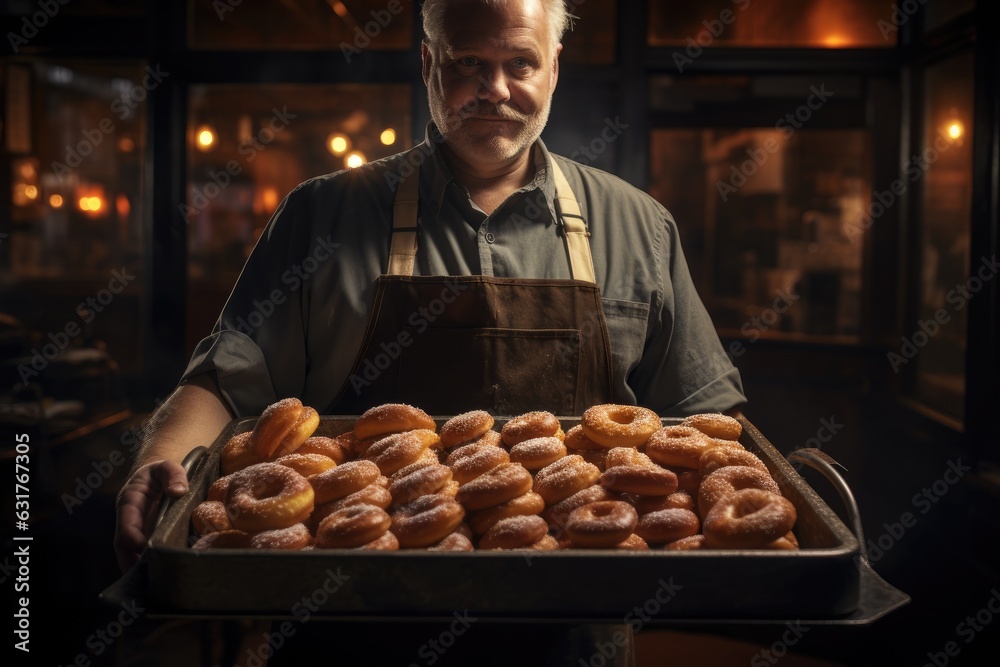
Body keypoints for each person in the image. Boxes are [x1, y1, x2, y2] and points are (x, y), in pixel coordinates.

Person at [115, 0, 746, 664]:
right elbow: (224, 383)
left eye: (520, 64)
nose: (495, 89)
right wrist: (157, 464)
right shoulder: (324, 216)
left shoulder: (638, 227)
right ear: (427, 63)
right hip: (343, 625)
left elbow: (708, 429)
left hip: (567, 634)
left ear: (554, 69)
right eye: (468, 62)